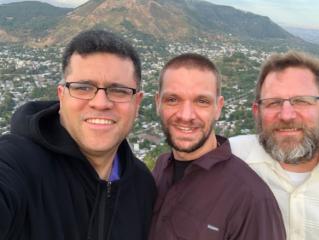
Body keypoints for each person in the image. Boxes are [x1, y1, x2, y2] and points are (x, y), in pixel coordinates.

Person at [0, 29, 156, 240]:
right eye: (83, 88)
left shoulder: (142, 185)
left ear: (137, 103)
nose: (100, 103)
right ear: (61, 96)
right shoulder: (19, 162)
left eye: (119, 90)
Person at [148, 53, 286, 240]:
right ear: (158, 103)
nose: (186, 115)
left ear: (218, 108)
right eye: (173, 99)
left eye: (201, 101)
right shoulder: (161, 167)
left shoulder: (251, 199)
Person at [229, 50, 319, 240]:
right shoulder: (228, 158)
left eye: (301, 101)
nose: (287, 115)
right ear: (256, 112)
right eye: (273, 103)